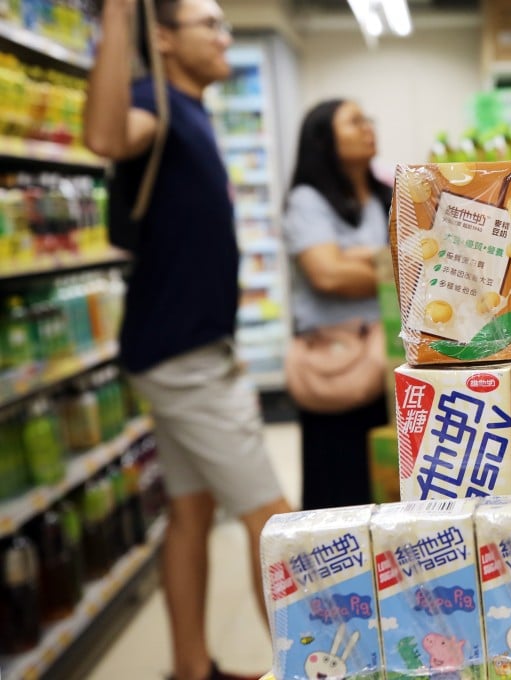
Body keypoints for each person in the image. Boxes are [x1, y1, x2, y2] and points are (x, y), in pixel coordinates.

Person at [83, 2, 291, 679]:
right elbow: (106, 137)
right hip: (184, 357)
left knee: (190, 511)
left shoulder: (191, 111)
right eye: (211, 24)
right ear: (164, 37)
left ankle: (190, 668)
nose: (225, 36)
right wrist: (119, 17)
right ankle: (308, 668)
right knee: (275, 523)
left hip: (189, 347)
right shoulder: (153, 102)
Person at [282, 99, 391, 510]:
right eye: (354, 122)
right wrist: (386, 265)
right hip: (337, 364)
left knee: (382, 485)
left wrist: (359, 259)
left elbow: (417, 259)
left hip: (385, 361)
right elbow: (327, 275)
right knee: (339, 491)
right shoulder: (307, 200)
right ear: (323, 139)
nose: (367, 128)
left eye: (368, 119)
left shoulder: (383, 195)